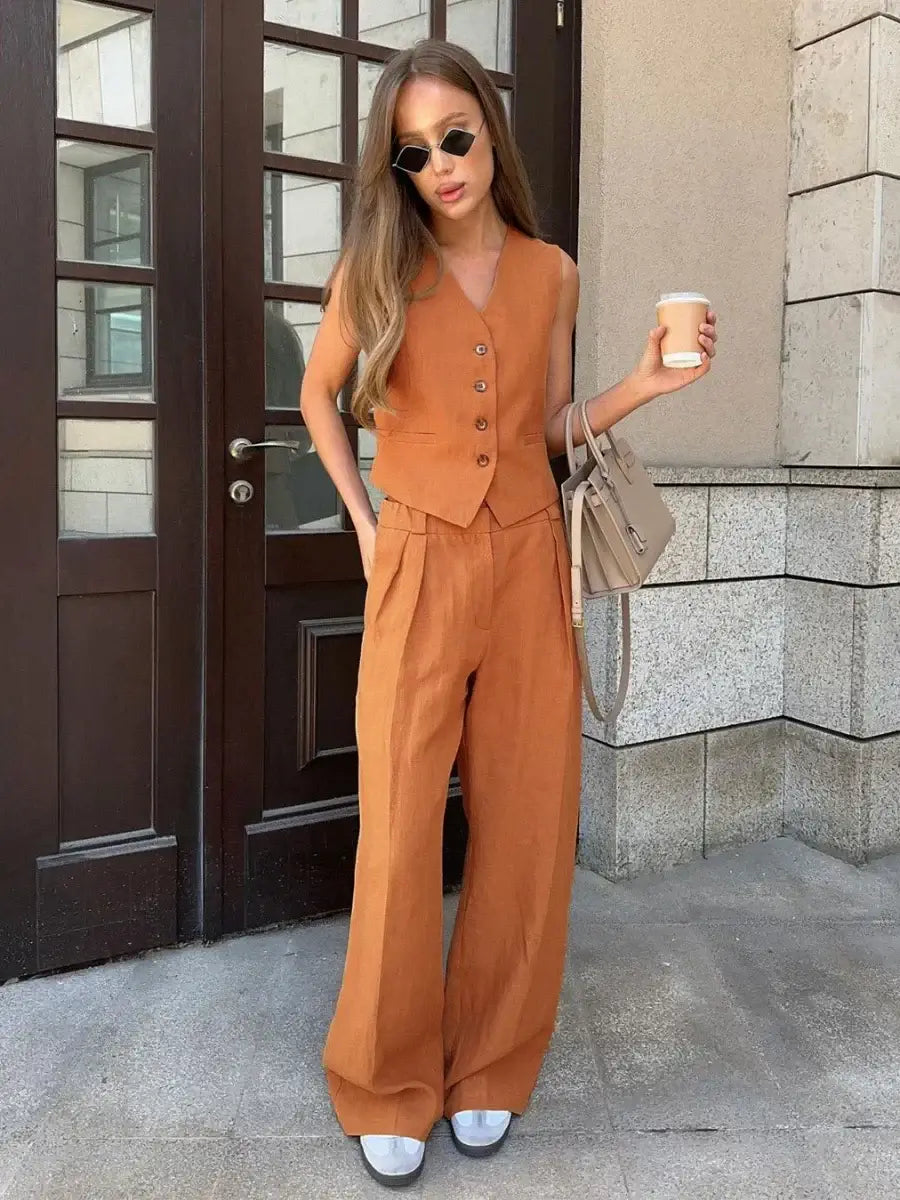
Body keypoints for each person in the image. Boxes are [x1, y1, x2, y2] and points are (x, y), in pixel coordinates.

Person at [299, 38, 717, 1189]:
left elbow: (540, 424)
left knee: (528, 821)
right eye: (413, 152)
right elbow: (316, 394)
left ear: (491, 127)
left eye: (456, 137)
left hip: (531, 559)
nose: (439, 164)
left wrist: (644, 383)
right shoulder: (379, 267)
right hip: (420, 558)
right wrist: (368, 524)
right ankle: (387, 1079)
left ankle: (489, 1065)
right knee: (397, 829)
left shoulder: (552, 272)